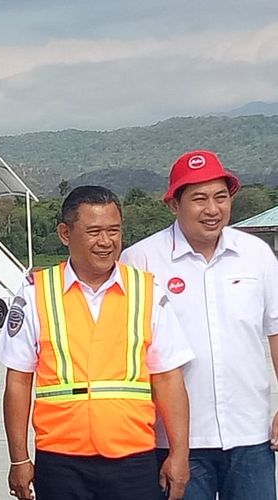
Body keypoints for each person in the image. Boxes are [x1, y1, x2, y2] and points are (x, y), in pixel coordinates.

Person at [0, 186, 194, 500]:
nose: (106, 242)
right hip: (60, 461)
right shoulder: (36, 292)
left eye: (114, 231)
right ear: (65, 233)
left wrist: (179, 453)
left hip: (134, 458)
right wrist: (19, 458)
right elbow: (18, 381)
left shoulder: (147, 291)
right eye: (94, 232)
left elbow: (169, 377)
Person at [121, 150, 278, 500]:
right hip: (175, 443)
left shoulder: (257, 255)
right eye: (199, 199)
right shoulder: (141, 261)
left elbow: (276, 332)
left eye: (221, 197)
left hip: (250, 437)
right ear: (173, 205)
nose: (212, 209)